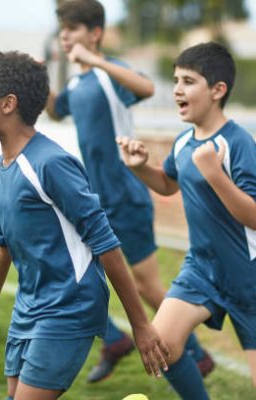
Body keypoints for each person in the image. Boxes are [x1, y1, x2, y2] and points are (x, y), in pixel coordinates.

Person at [0, 50, 169, 400]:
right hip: (29, 307)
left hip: (69, 308)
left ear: (8, 104)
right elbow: (0, 245)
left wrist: (141, 325)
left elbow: (106, 244)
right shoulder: (1, 170)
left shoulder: (51, 164)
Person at [45, 0, 213, 382]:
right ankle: (116, 340)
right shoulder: (76, 82)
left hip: (125, 195)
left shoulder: (109, 75)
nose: (65, 37)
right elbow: (58, 111)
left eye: (72, 29)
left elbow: (148, 86)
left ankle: (197, 355)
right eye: (62, 30)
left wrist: (96, 59)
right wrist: (42, 81)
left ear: (95, 33)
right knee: (72, 275)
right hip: (94, 198)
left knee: (146, 285)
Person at [117, 41, 256, 399]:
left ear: (217, 90)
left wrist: (215, 174)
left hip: (249, 278)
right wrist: (139, 168)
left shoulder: (238, 144)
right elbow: (167, 184)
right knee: (161, 345)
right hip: (201, 270)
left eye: (189, 81)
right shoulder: (183, 143)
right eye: (176, 79)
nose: (177, 88)